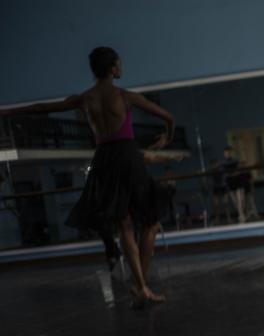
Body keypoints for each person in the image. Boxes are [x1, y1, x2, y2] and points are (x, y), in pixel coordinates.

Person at [0, 46, 173, 305]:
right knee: (149, 223)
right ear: (113, 68)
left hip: (104, 159)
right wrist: (167, 137)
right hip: (127, 157)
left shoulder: (84, 99)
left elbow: (42, 107)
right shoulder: (125, 96)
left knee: (123, 224)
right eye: (119, 63)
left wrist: (7, 112)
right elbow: (168, 117)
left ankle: (140, 287)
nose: (121, 67)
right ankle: (141, 286)